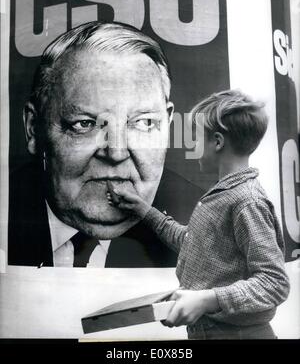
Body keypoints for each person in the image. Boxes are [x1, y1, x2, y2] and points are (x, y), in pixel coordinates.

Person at [8, 21, 201, 268]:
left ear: (168, 124)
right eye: (85, 124)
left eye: (144, 122)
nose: (116, 152)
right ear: (34, 128)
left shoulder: (206, 223)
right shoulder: (9, 210)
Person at [107, 89, 290, 339]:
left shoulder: (247, 201)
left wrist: (206, 299)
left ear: (217, 142)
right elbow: (193, 243)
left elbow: (274, 283)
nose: (193, 145)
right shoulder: (224, 195)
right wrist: (144, 210)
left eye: (197, 138)